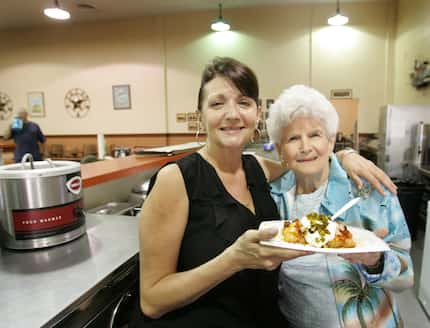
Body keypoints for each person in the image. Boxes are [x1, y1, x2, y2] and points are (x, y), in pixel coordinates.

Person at [131, 57, 397, 328]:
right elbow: (152, 301)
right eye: (217, 103)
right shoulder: (176, 180)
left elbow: (303, 159)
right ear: (200, 116)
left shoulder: (258, 168)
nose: (232, 114)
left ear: (257, 114)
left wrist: (343, 154)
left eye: (243, 102)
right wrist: (232, 260)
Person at [267, 85, 413, 328]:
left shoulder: (368, 191)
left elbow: (407, 278)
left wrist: (376, 261)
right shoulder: (273, 197)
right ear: (281, 149)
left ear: (331, 139)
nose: (305, 147)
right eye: (293, 138)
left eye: (315, 134)